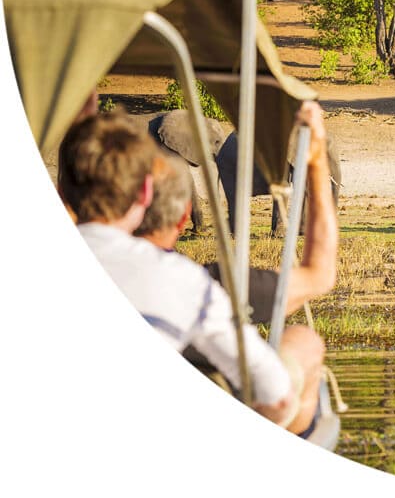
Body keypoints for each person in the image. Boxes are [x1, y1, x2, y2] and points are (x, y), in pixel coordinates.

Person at [57, 109, 324, 436]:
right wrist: (317, 161)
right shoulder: (182, 281)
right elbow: (276, 395)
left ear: (61, 193)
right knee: (304, 343)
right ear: (144, 193)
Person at [135, 101, 338, 324]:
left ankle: (250, 228)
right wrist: (318, 162)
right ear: (184, 215)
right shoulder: (202, 283)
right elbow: (319, 277)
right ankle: (241, 228)